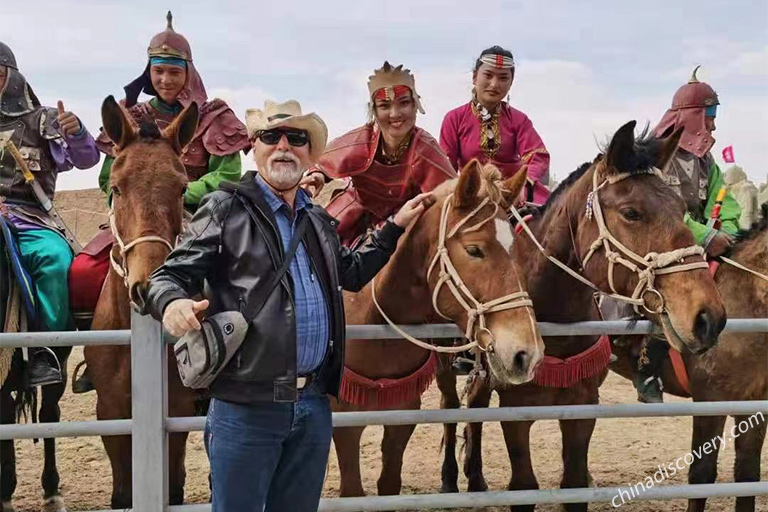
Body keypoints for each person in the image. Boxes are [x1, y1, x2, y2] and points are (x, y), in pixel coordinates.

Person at [143, 99, 431, 512]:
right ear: (255, 148)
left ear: (309, 153)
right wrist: (171, 303)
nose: (283, 146)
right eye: (270, 137)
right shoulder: (226, 208)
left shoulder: (316, 219)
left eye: (296, 138)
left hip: (313, 404)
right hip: (246, 405)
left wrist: (394, 226)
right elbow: (167, 276)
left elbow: (351, 272)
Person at [70, 12, 249, 393]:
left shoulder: (215, 116)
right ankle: (97, 356)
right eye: (159, 70)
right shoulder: (129, 116)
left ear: (189, 72)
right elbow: (106, 178)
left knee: (231, 279)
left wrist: (179, 190)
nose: (166, 79)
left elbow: (229, 175)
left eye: (174, 71)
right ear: (149, 71)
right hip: (134, 216)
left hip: (201, 217)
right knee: (83, 272)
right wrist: (139, 195)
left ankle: (225, 357)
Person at [632, 66, 741, 403]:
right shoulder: (656, 156)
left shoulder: (708, 163)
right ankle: (645, 367)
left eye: (713, 116)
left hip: (700, 248)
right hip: (661, 247)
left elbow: (729, 205)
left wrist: (725, 232)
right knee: (658, 293)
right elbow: (658, 211)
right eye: (708, 115)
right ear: (692, 115)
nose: (712, 124)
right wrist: (704, 236)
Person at [0, 41, 100, 386]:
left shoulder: (43, 120)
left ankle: (47, 350)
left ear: (11, 77)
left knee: (54, 261)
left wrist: (78, 133)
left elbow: (87, 160)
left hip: (28, 218)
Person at [302, 61, 455, 247]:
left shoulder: (426, 147)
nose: (395, 114)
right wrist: (316, 175)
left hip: (406, 216)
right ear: (374, 110)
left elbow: (453, 191)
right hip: (356, 207)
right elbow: (324, 163)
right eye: (384, 106)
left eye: (404, 103)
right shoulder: (363, 138)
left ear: (416, 105)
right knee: (314, 241)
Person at [440, 45, 550, 204]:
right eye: (488, 75)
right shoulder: (454, 119)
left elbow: (538, 156)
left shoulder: (519, 120)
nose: (494, 84)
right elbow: (446, 167)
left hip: (512, 195)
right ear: (474, 77)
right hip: (471, 195)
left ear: (511, 83)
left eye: (503, 78)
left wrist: (522, 183)